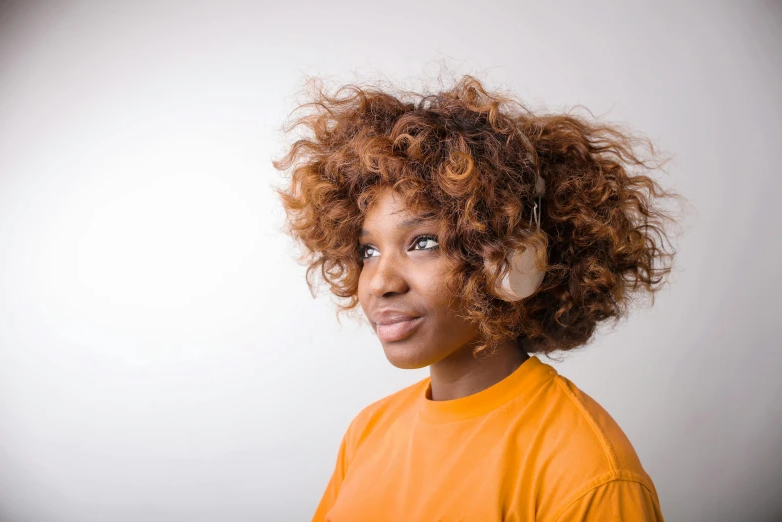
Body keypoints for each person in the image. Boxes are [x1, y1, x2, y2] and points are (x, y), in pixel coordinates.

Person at [272, 73, 680, 521]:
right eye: (368, 250)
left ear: (511, 257)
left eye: (423, 242)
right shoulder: (368, 432)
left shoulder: (587, 473)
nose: (378, 282)